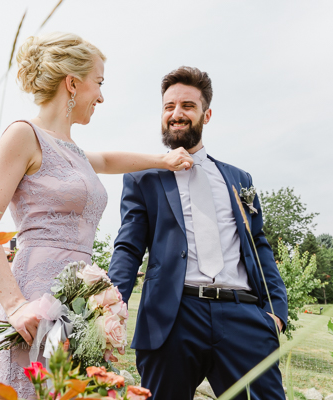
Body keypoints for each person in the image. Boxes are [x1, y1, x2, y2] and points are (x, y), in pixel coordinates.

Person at [0, 33, 193, 399]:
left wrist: (163, 160)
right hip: (34, 300)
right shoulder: (22, 135)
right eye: (100, 83)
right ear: (73, 83)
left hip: (79, 306)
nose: (102, 96)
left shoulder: (74, 152)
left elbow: (108, 161)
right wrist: (15, 306)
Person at [108, 66, 288, 399]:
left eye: (188, 106)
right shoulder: (142, 178)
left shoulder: (239, 179)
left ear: (206, 114)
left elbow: (259, 244)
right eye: (168, 107)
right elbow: (129, 247)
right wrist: (109, 307)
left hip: (243, 314)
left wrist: (276, 311)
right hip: (172, 320)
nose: (177, 114)